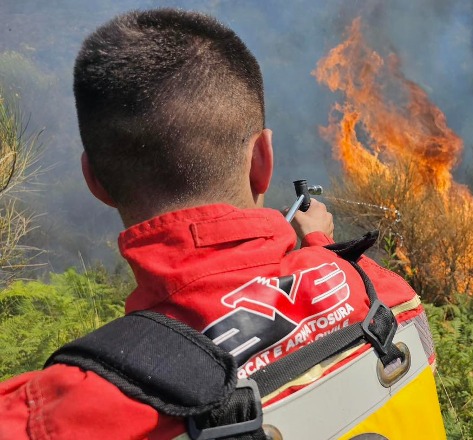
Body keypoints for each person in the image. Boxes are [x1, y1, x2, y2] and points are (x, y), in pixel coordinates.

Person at [0, 9, 442, 439]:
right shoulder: (385, 296)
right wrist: (321, 248)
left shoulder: (50, 418)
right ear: (263, 160)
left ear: (95, 180)